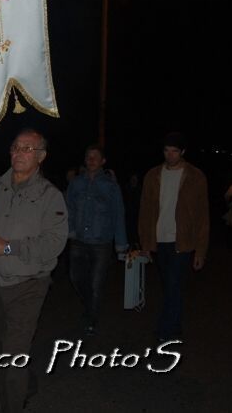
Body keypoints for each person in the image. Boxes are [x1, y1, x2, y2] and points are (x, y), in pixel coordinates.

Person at [0, 129, 68, 412]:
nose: (18, 153)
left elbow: (54, 244)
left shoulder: (51, 196)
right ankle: (25, 379)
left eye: (27, 148)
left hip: (29, 285)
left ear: (41, 157)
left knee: (12, 359)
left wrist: (9, 247)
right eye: (15, 147)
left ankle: (13, 401)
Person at [138, 132, 209, 342]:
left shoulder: (195, 176)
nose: (170, 155)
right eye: (167, 151)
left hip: (183, 241)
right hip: (159, 240)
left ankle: (165, 330)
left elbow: (202, 215)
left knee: (172, 284)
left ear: (183, 152)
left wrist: (201, 250)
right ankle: (176, 324)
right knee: (170, 285)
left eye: (175, 151)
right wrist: (146, 243)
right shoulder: (153, 175)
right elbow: (145, 212)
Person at [66, 145, 129, 335]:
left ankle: (91, 318)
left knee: (96, 282)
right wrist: (68, 231)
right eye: (88, 156)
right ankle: (90, 305)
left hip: (101, 242)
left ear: (103, 161)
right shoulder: (76, 183)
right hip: (78, 239)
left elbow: (118, 214)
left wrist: (121, 244)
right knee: (76, 277)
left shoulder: (111, 186)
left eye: (95, 157)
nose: (91, 160)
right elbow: (68, 209)